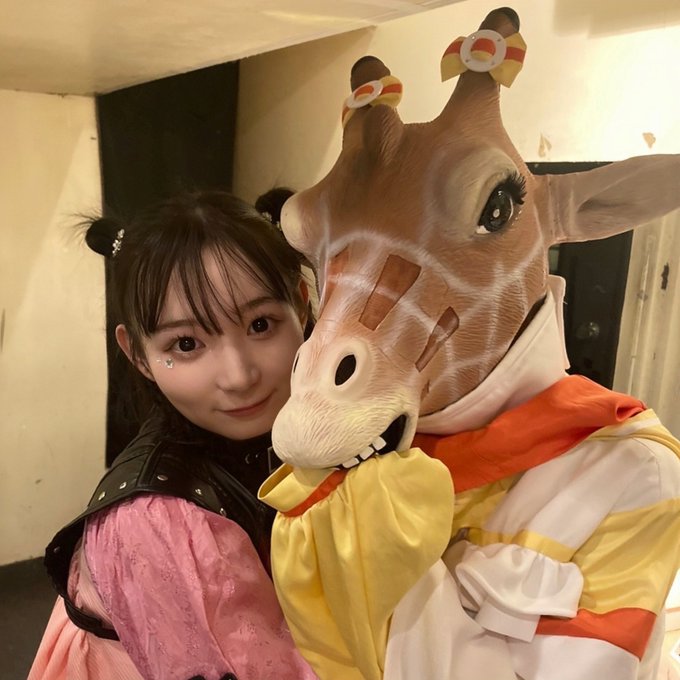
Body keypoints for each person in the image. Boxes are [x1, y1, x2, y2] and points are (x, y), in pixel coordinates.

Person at [29, 189, 318, 680]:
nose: (239, 375)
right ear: (139, 355)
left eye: (260, 324)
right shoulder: (156, 524)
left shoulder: (314, 429)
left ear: (302, 305)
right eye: (186, 344)